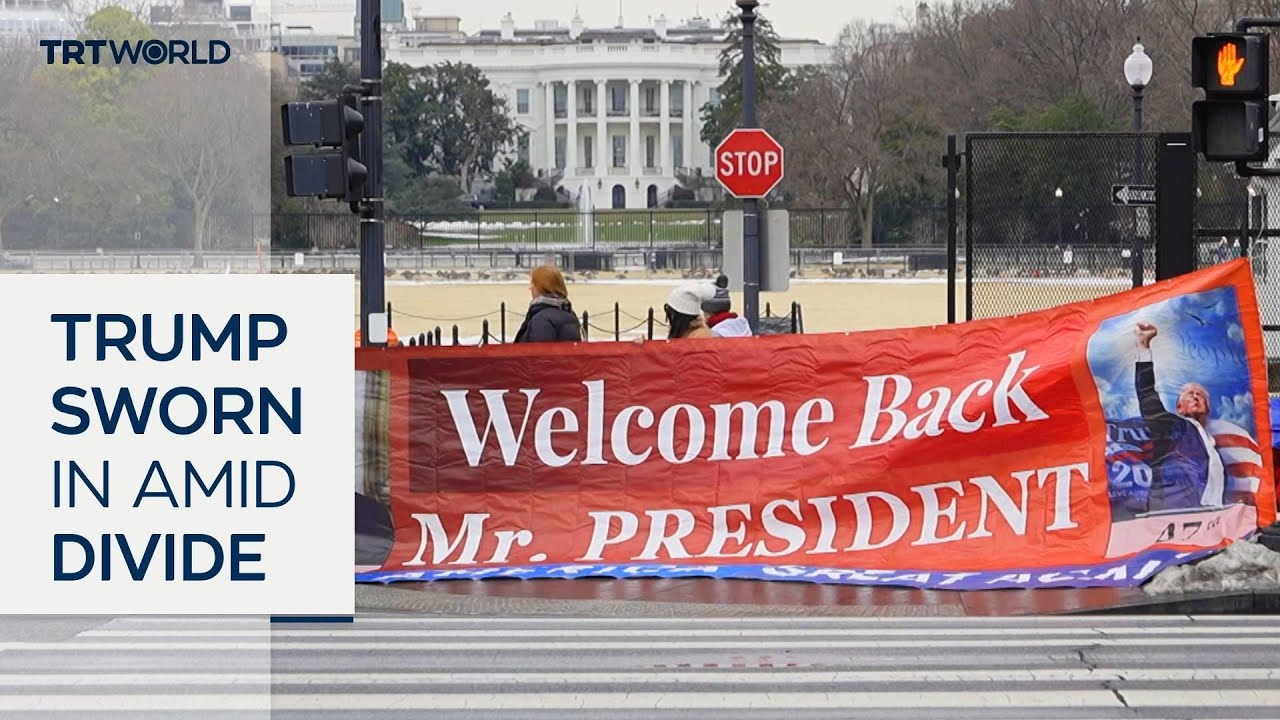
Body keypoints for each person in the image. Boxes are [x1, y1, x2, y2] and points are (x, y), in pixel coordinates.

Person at [1133, 322, 1225, 512]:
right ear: (1179, 407)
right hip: (1174, 514)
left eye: (1200, 395)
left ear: (1208, 408)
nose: (1195, 396)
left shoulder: (1211, 441)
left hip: (1209, 515)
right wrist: (1144, 348)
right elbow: (1147, 395)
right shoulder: (1173, 426)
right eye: (1189, 394)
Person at [513, 265, 581, 343]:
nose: (530, 288)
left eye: (533, 283)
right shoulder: (569, 315)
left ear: (542, 287)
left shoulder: (541, 320)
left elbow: (539, 352)